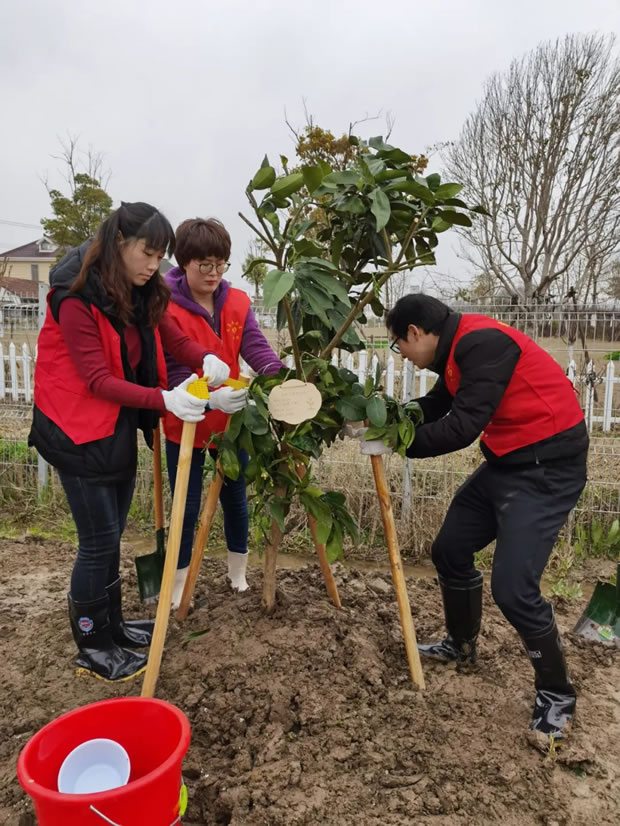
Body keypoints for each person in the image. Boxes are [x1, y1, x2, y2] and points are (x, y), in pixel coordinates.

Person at [357, 294, 588, 741]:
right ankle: (461, 646)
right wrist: (388, 421)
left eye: (398, 344)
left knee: (514, 589)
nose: (400, 353)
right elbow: (441, 402)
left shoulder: (480, 343)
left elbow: (459, 428)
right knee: (451, 549)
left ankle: (557, 695)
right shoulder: (458, 346)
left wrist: (398, 444)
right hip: (509, 461)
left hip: (548, 470)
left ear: (416, 333)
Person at [29, 202, 232, 682]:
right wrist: (165, 399)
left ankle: (114, 627)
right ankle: (92, 644)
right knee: (97, 542)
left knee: (112, 535)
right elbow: (97, 379)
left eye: (160, 256)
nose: (153, 265)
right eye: (148, 252)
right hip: (74, 426)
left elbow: (173, 337)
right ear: (119, 243)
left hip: (113, 423)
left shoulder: (141, 289)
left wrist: (207, 358)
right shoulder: (75, 296)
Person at [162, 218, 283, 608]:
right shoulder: (164, 306)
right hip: (186, 418)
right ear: (184, 262)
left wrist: (283, 380)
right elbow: (172, 369)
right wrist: (207, 397)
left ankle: (237, 575)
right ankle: (179, 581)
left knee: (235, 496)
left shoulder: (237, 302)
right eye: (205, 265)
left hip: (230, 421)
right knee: (187, 503)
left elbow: (255, 347)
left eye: (221, 264)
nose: (214, 273)